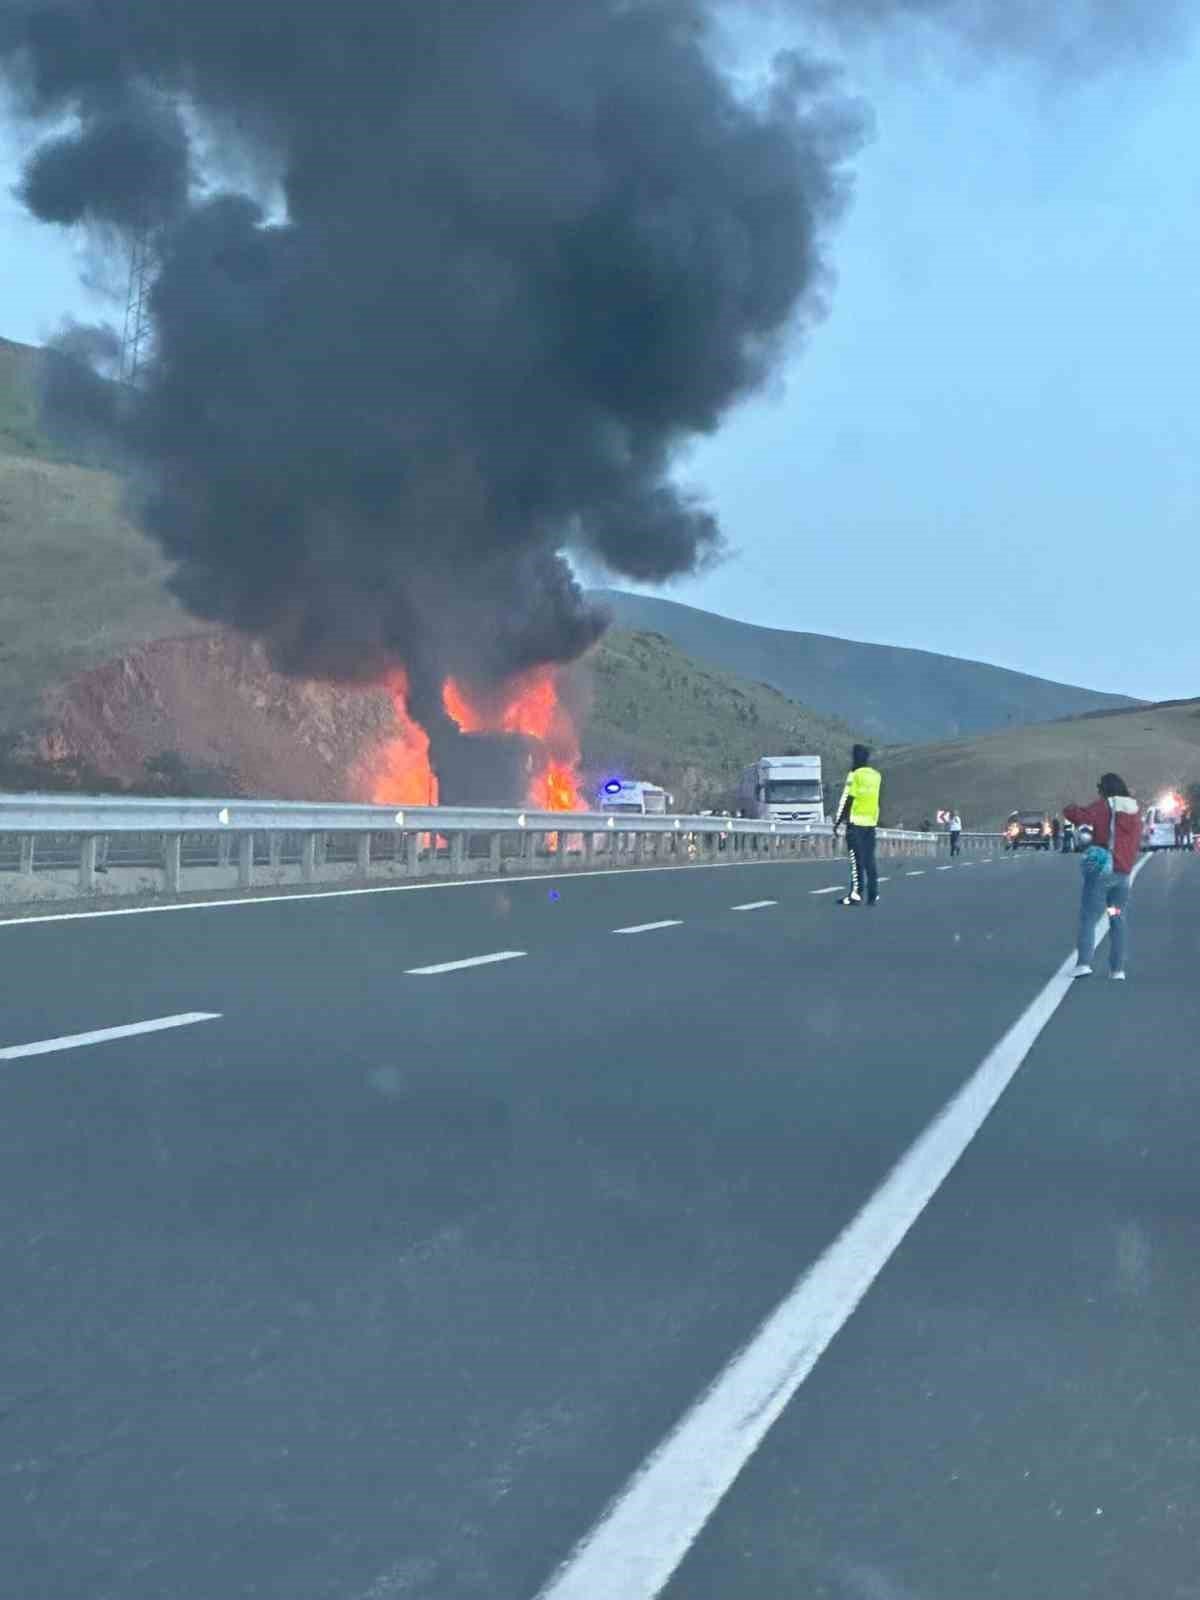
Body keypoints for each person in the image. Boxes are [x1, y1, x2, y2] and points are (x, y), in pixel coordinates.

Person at [1063, 773, 1141, 980]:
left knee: (1089, 916)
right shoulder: (1134, 809)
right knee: (1116, 916)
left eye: (1100, 789)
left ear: (1105, 789)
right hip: (1123, 875)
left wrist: (1070, 807)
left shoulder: (1104, 806)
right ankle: (1117, 970)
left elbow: (1078, 815)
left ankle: (1084, 963)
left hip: (1102, 871)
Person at [833, 744, 882, 906]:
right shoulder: (876, 776)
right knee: (870, 860)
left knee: (856, 861)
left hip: (856, 824)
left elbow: (848, 799)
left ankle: (856, 895)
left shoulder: (855, 775)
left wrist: (839, 820)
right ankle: (873, 894)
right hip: (871, 823)